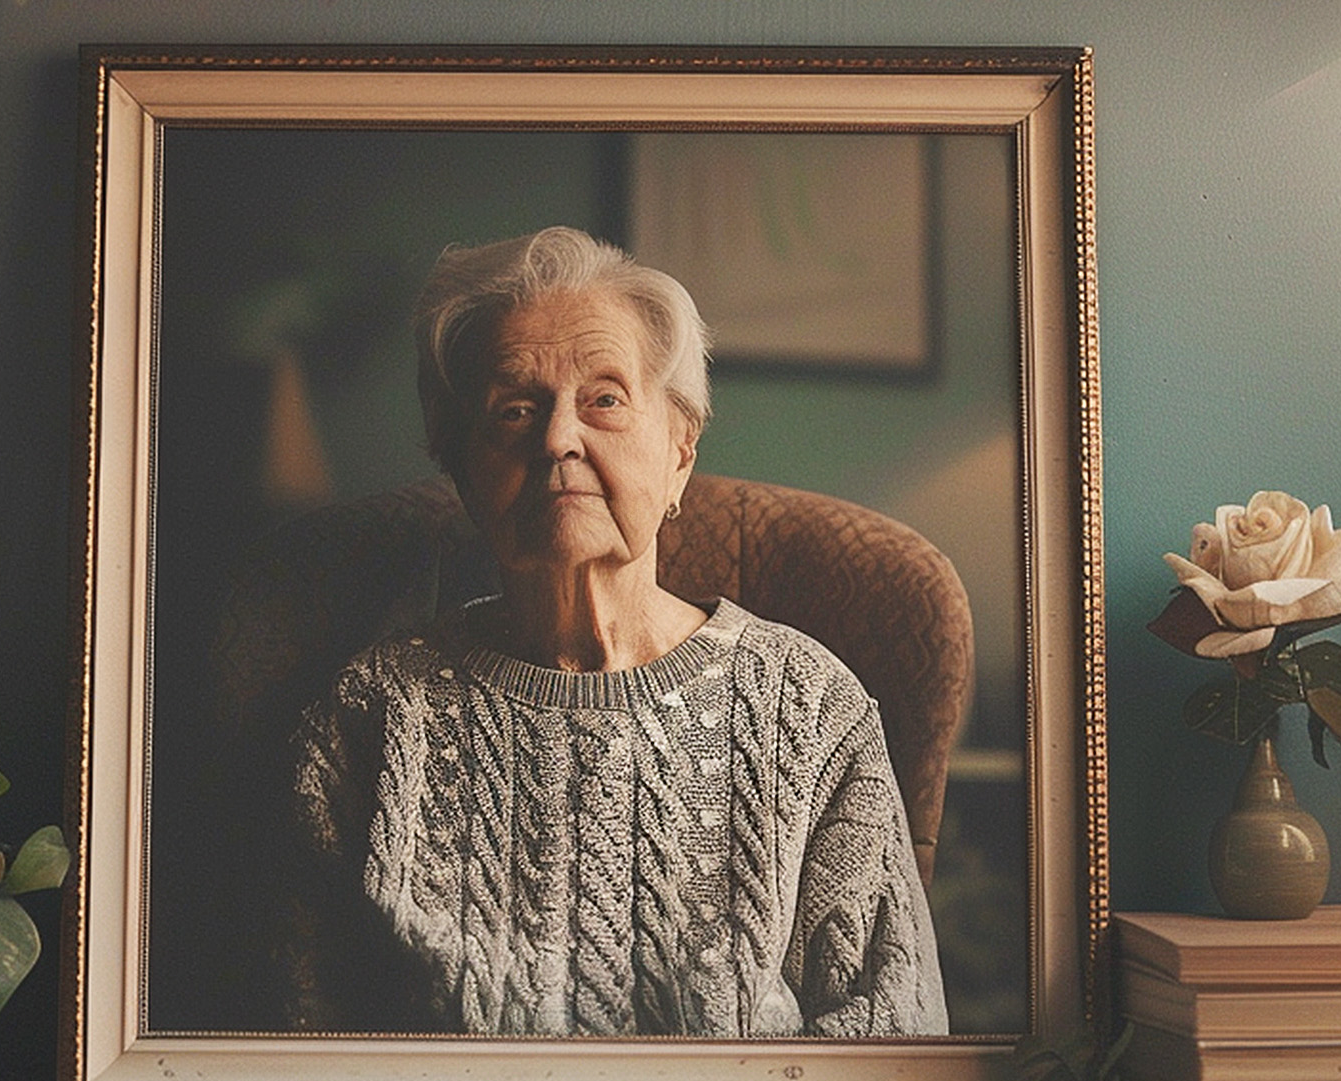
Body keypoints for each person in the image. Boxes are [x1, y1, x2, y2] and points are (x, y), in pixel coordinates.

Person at [282, 226, 945, 1037]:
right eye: (515, 409)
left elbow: (892, 1035)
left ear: (679, 453)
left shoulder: (807, 707)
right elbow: (294, 1044)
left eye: (603, 398)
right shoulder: (372, 716)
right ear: (460, 468)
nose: (558, 438)